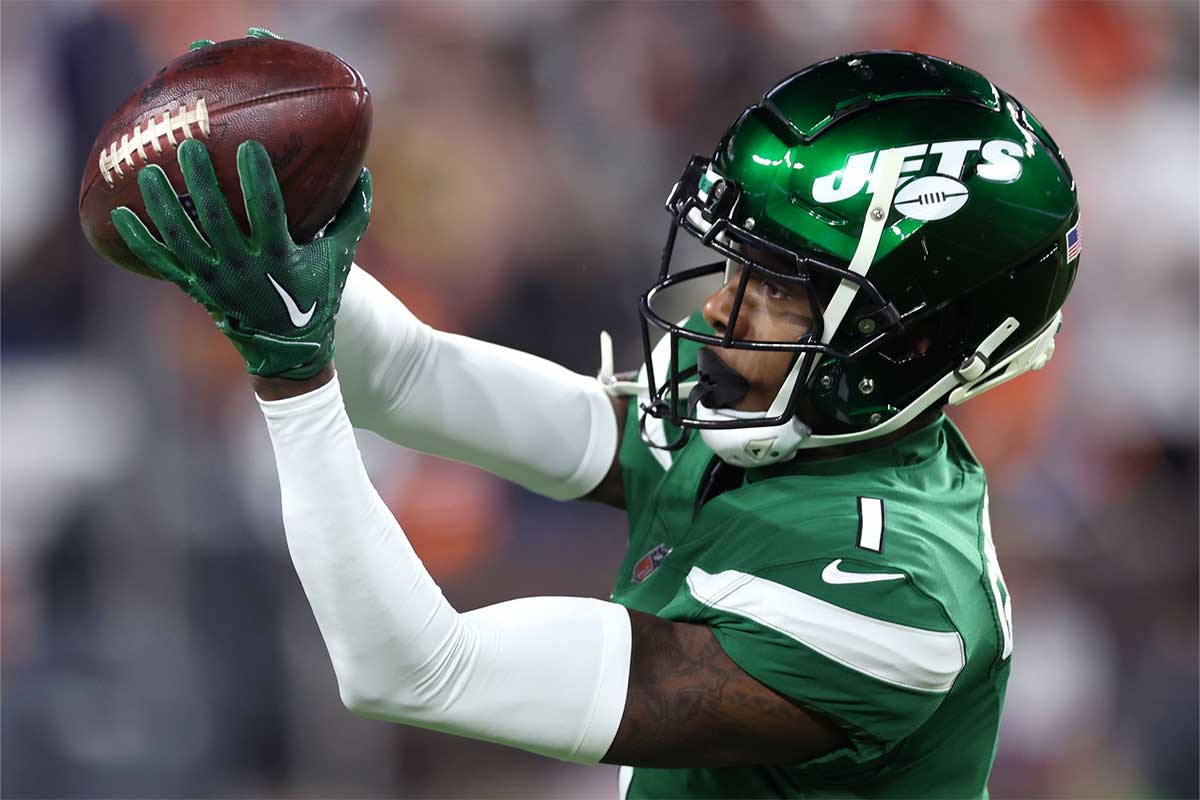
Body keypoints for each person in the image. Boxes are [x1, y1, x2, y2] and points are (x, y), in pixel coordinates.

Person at [111, 36, 1080, 799]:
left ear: (905, 340)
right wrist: (288, 240)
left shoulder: (887, 591)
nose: (718, 308)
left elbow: (415, 672)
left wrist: (291, 379)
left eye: (778, 284)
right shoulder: (795, 398)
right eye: (736, 259)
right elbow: (409, 374)